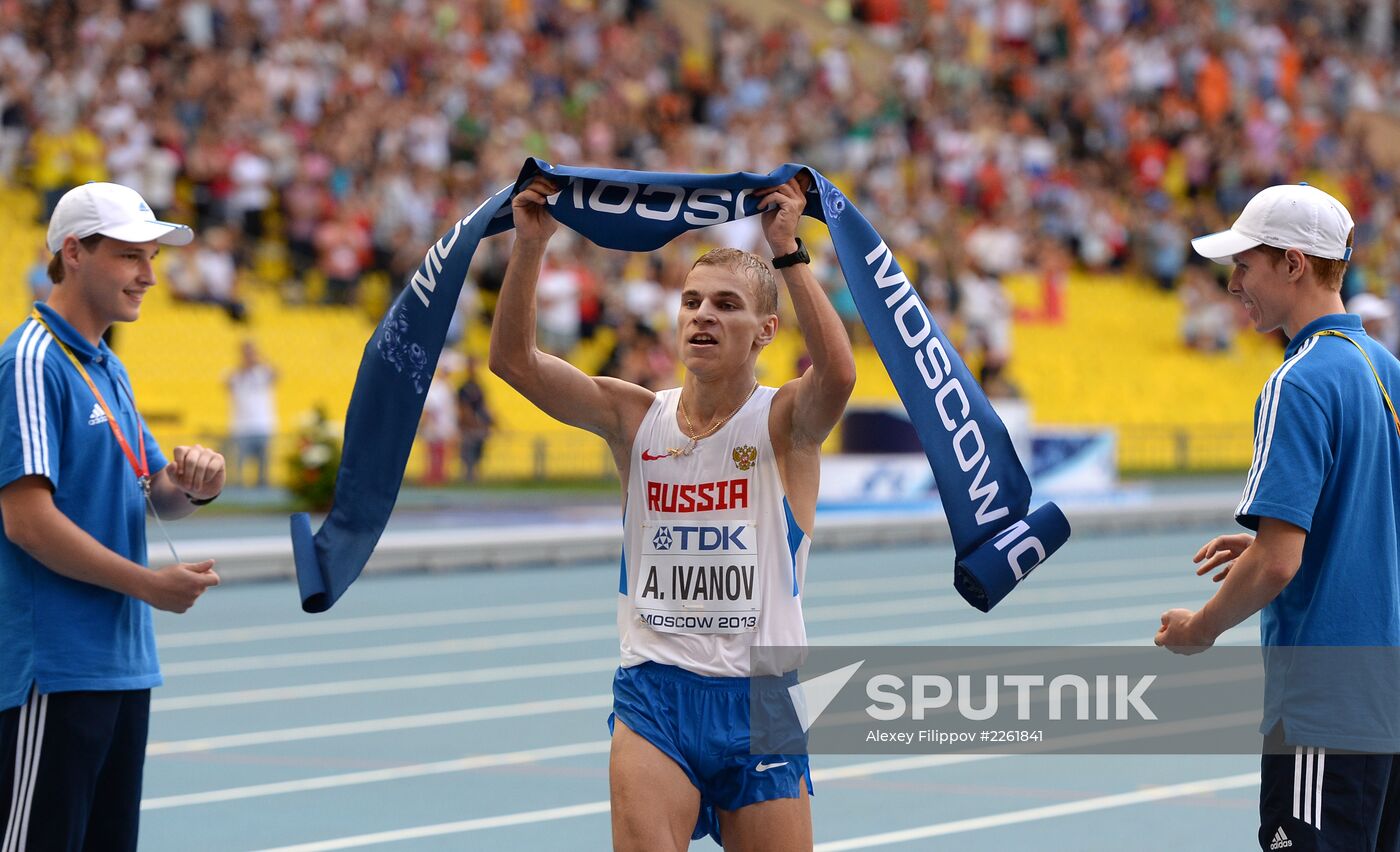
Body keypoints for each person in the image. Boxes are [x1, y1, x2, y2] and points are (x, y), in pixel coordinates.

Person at [490, 174, 855, 851]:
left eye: (725, 304)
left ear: (765, 330)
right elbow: (514, 362)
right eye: (691, 302)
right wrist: (530, 247)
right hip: (654, 695)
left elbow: (838, 377)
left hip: (760, 698)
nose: (703, 315)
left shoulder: (783, 422)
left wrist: (789, 254)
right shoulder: (634, 418)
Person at [1155, 183, 1400, 852]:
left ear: (1294, 264)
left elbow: (1279, 562)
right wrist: (1283, 538)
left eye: (1244, 265)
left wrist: (1198, 629)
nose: (1234, 284)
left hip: (1325, 706)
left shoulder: (1299, 380)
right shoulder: (1386, 370)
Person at [0, 182, 226, 851]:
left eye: (151, 258)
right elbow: (27, 521)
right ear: (74, 252)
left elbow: (156, 493)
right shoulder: (32, 360)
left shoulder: (104, 363)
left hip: (122, 664)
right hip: (58, 669)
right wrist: (148, 585)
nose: (150, 277)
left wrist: (198, 484)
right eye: (132, 257)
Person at [225, 339, 278, 488]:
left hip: (263, 426)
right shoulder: (235, 375)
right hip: (241, 428)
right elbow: (227, 383)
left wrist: (261, 358)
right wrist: (245, 365)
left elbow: (277, 373)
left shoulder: (263, 373)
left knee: (264, 469)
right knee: (239, 470)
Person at [455, 356, 492, 484]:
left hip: (477, 426)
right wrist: (472, 423)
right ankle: (467, 477)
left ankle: (474, 476)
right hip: (468, 427)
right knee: (467, 453)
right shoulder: (464, 387)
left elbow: (483, 406)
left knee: (477, 452)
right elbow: (462, 408)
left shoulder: (478, 386)